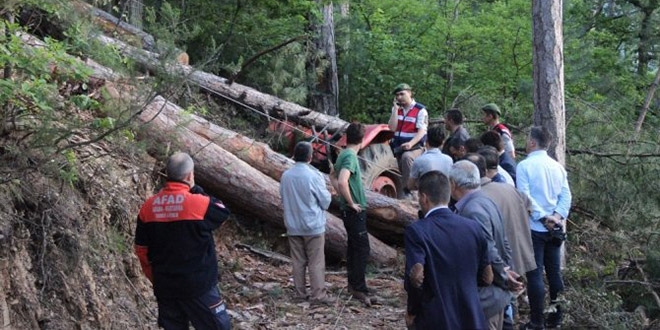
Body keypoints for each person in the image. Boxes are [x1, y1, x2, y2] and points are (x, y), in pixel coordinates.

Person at [135, 152, 232, 330]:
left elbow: (141, 250)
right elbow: (222, 212)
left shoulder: (148, 208)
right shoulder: (199, 204)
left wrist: (155, 278)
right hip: (199, 287)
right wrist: (196, 190)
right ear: (190, 175)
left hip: (165, 287)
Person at [404, 171, 492, 329]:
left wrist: (412, 310)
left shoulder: (417, 230)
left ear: (424, 197)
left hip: (435, 317)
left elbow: (415, 278)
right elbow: (487, 277)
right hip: (472, 315)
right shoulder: (474, 227)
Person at [465, 151, 537, 330]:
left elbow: (488, 244)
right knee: (508, 307)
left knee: (503, 309)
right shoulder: (508, 188)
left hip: (496, 269)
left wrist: (502, 272)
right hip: (512, 257)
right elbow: (531, 209)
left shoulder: (478, 200)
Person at [449, 160, 523, 330]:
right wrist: (506, 269)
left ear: (453, 184)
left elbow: (488, 248)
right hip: (494, 294)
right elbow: (504, 242)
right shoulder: (486, 201)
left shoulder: (472, 210)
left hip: (487, 298)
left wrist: (505, 277)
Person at [517, 127, 572, 330]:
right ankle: (556, 318)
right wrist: (556, 217)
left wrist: (544, 217)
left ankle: (536, 322)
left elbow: (524, 196)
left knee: (535, 275)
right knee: (554, 274)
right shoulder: (557, 167)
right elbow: (566, 196)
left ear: (533, 142)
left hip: (536, 227)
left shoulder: (524, 166)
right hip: (555, 228)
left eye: (526, 139)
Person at [280, 142, 333, 305]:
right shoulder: (314, 176)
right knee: (316, 261)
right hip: (313, 225)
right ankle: (318, 295)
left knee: (298, 261)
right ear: (310, 157)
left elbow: (282, 197)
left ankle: (299, 293)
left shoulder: (286, 175)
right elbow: (325, 202)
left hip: (293, 224)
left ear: (295, 156)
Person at [330, 122, 374, 306]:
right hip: (354, 211)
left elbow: (332, 175)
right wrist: (350, 202)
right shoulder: (350, 157)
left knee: (354, 248)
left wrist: (342, 196)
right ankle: (358, 288)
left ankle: (354, 284)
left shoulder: (343, 154)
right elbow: (341, 181)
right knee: (362, 249)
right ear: (362, 140)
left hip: (349, 210)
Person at [388, 83, 429, 198]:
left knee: (407, 158)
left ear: (410, 93)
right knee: (402, 168)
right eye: (397, 95)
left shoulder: (420, 110)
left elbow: (422, 131)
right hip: (398, 147)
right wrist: (395, 110)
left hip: (415, 147)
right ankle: (408, 190)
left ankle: (409, 191)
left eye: (402, 94)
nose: (399, 97)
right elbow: (392, 128)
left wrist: (411, 143)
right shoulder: (396, 110)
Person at [407, 125, 453, 191]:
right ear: (442, 142)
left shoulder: (419, 161)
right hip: (444, 196)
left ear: (426, 141)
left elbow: (410, 185)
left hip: (426, 196)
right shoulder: (449, 160)